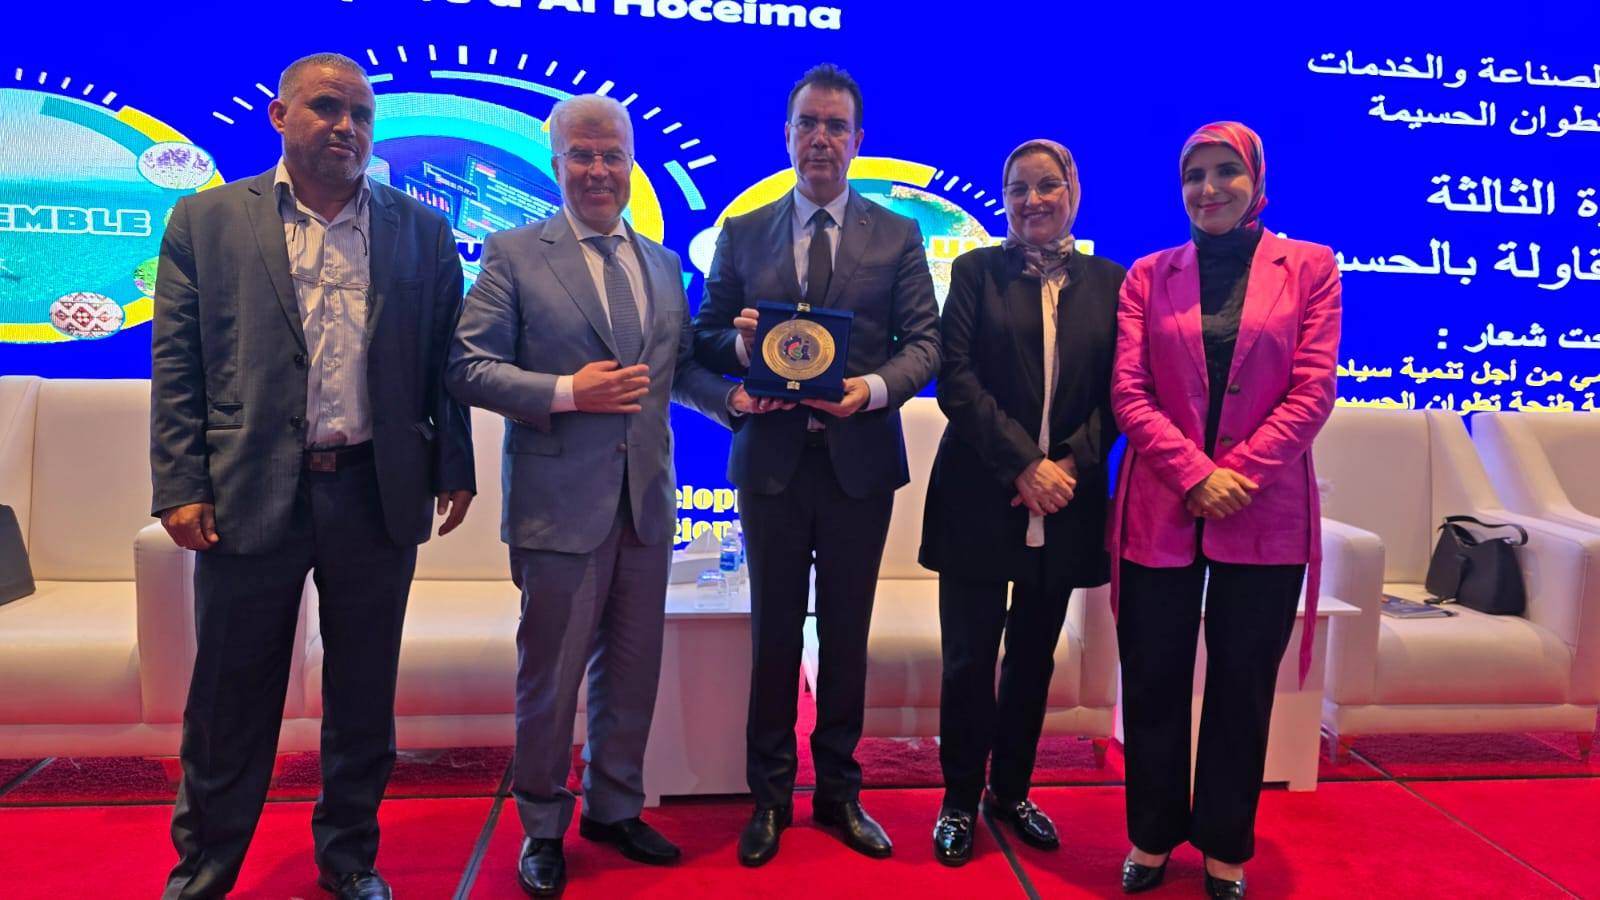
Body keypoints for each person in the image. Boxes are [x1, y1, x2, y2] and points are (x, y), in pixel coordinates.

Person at [149, 52, 475, 900]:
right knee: (229, 698)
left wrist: (454, 464)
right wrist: (180, 482)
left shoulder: (421, 229)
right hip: (248, 490)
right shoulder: (205, 220)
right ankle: (205, 869)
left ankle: (349, 860)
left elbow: (443, 362)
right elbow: (178, 366)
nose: (346, 127)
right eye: (327, 107)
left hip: (376, 488)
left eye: (361, 114)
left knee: (363, 694)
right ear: (280, 115)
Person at [446, 94, 767, 897]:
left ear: (630, 163)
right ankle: (542, 826)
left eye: (612, 155)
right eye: (582, 155)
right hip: (557, 509)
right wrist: (565, 392)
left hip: (645, 504)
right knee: (550, 680)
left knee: (631, 671)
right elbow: (467, 367)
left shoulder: (660, 263)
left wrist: (732, 398)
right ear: (556, 163)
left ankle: (614, 807)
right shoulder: (514, 254)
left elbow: (675, 372)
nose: (598, 170)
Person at [692, 63, 941, 866]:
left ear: (858, 140)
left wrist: (871, 391)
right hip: (770, 464)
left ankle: (838, 792)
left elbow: (925, 344)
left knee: (845, 634)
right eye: (808, 123)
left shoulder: (897, 235)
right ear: (787, 134)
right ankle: (769, 797)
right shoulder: (742, 231)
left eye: (836, 126)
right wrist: (741, 354)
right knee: (772, 637)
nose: (821, 138)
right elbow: (702, 340)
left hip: (858, 465)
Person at [1109, 122, 1341, 899]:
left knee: (1242, 684)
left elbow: (1313, 390)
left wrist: (1234, 475)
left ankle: (1224, 846)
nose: (1207, 189)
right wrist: (1193, 475)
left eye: (1224, 172)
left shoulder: (1311, 268)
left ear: (1256, 180)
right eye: (1193, 175)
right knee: (1153, 677)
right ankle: (1150, 836)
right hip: (1161, 505)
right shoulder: (1148, 275)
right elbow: (1129, 391)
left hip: (1263, 506)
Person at [918, 140, 1124, 866]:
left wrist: (1066, 465)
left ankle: (1010, 791)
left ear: (1074, 189)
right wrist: (1024, 465)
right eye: (1017, 188)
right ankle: (958, 798)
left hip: (1067, 499)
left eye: (1047, 185)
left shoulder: (1112, 283)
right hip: (979, 493)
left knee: (1034, 657)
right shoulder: (976, 272)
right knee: (968, 659)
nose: (1032, 200)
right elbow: (956, 380)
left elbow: (1122, 393)